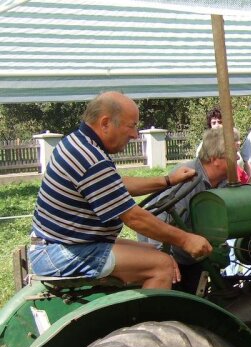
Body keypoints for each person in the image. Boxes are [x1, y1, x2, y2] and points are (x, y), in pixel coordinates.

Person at [28, 91, 212, 289]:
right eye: (131, 126)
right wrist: (185, 239)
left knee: (151, 251)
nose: (134, 134)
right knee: (163, 265)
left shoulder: (79, 143)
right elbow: (134, 218)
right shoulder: (90, 159)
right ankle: (153, 320)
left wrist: (168, 180)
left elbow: (116, 184)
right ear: (105, 123)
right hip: (60, 253)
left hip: (59, 246)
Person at [138, 127, 247, 292]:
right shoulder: (187, 179)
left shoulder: (225, 182)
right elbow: (158, 220)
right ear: (215, 158)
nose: (238, 157)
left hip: (200, 253)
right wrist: (163, 259)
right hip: (175, 255)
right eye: (233, 153)